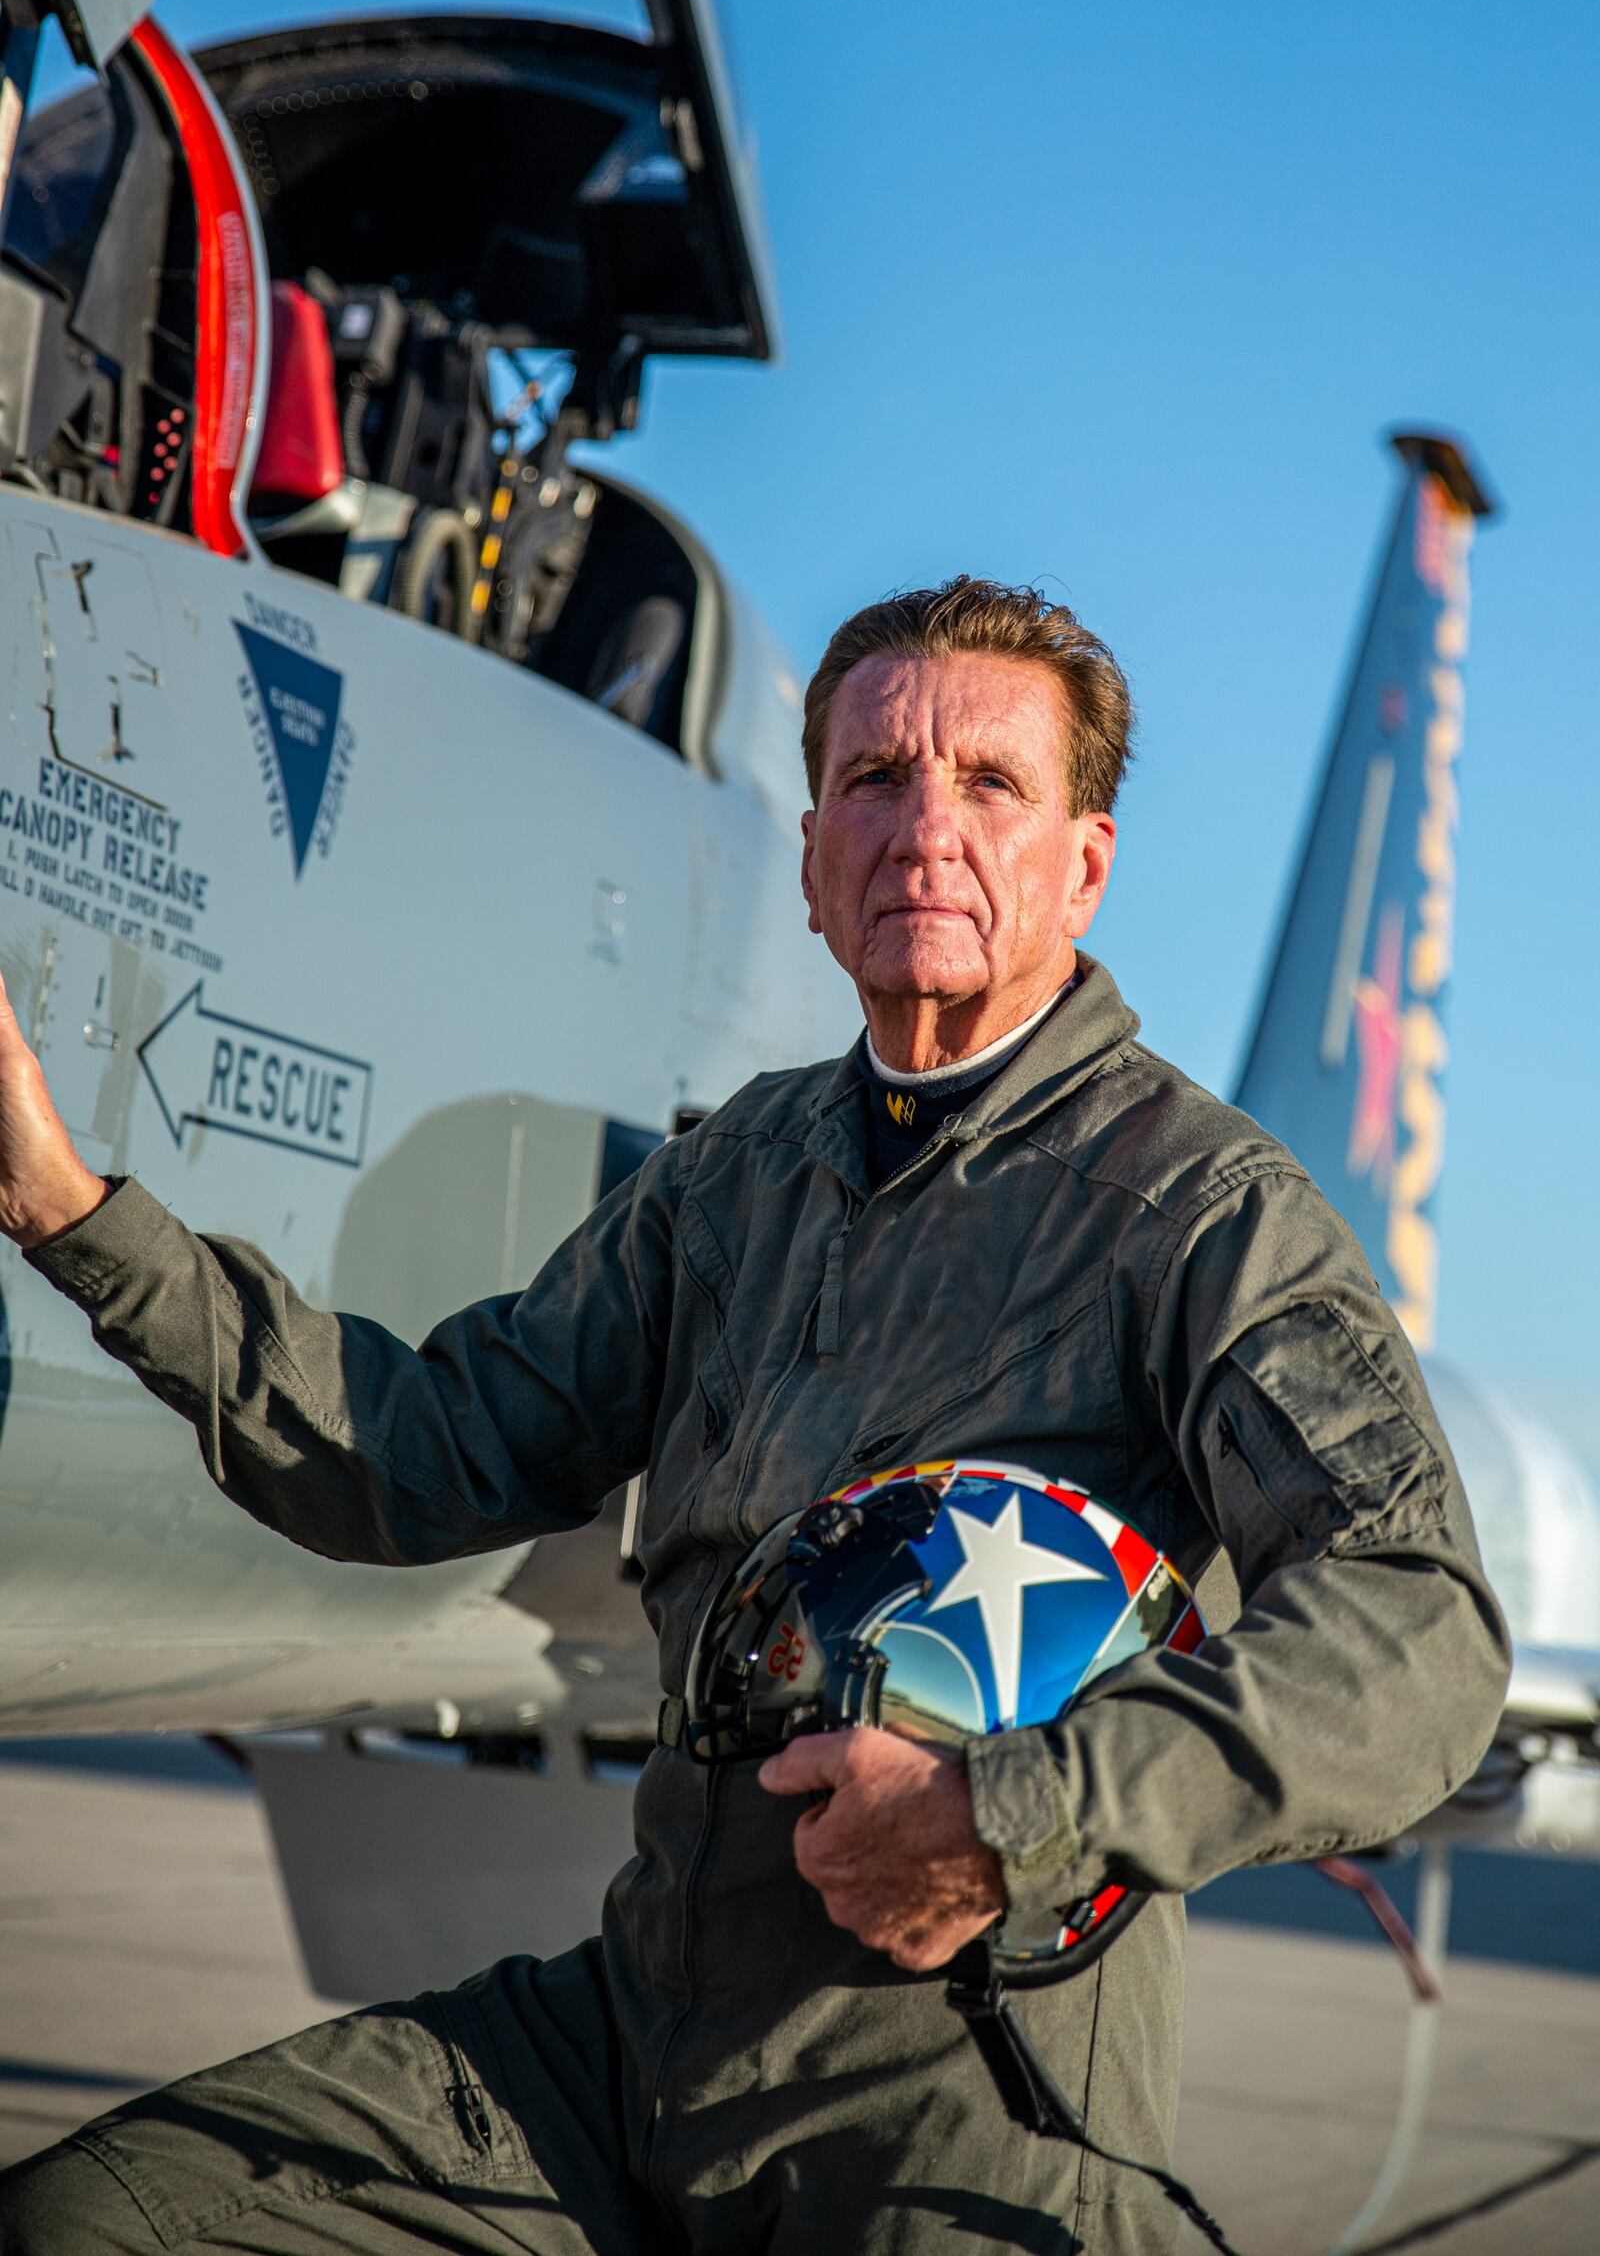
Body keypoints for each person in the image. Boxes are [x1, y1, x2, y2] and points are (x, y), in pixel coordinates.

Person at [0, 578, 1508, 2255]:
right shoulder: (736, 1178)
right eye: (876, 779)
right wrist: (74, 1213)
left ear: (1083, 865)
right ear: (808, 863)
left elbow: (1420, 1631)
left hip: (957, 2113)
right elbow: (426, 1448)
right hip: (638, 2049)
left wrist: (1010, 1817)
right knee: (95, 2222)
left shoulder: (1201, 1212)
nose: (924, 827)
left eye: (990, 784)